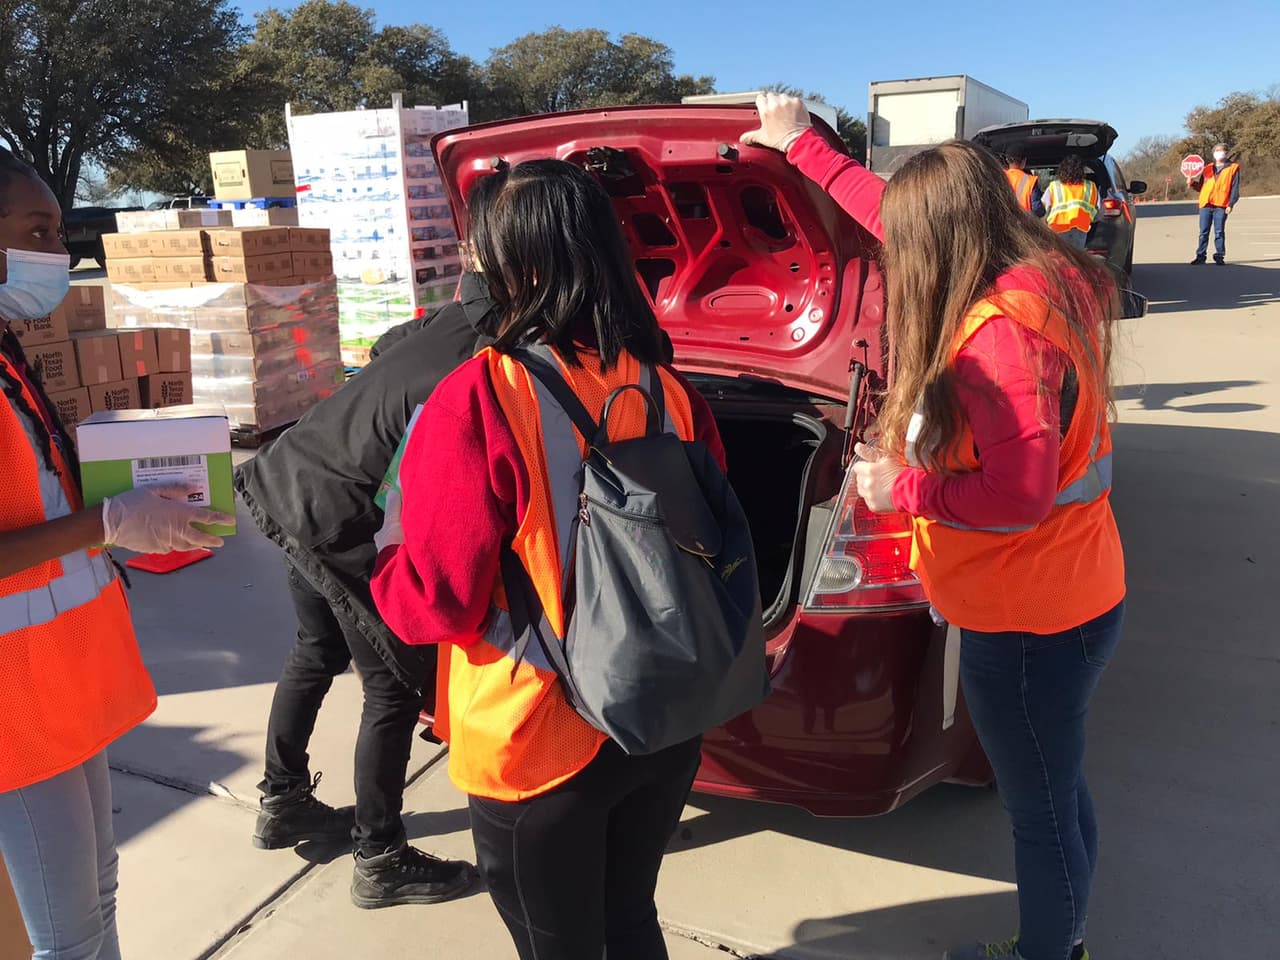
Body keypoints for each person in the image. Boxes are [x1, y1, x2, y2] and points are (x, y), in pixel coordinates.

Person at [743, 93, 1124, 960]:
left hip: (1030, 616)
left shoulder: (998, 341)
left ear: (940, 244)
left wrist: (901, 487)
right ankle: (1065, 942)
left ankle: (1051, 952)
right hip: (1073, 593)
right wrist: (801, 147)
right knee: (1058, 792)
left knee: (1040, 811)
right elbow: (897, 214)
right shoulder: (1047, 275)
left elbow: (1018, 498)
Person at [370, 159, 727, 960]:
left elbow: (438, 599)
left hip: (540, 737)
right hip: (661, 719)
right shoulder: (669, 388)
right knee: (633, 920)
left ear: (516, 265)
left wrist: (385, 556)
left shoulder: (481, 396)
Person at [232, 179, 512, 909]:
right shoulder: (497, 344)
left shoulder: (458, 314)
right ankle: (381, 857)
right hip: (342, 515)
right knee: (393, 683)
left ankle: (283, 798)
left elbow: (389, 348)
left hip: (289, 479)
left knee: (315, 652)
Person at [0, 147, 232, 960]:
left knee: (95, 903)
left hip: (63, 681)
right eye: (36, 229)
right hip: (13, 714)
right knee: (66, 937)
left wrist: (144, 505)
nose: (57, 252)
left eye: (58, 230)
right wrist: (106, 522)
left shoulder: (6, 354)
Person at [1189, 143, 1241, 265]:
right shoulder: (1207, 168)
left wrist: (1231, 204)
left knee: (1219, 232)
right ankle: (1200, 256)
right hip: (1206, 204)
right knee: (1203, 232)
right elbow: (1201, 186)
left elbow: (1235, 188)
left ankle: (1219, 256)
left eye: (1222, 150)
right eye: (1217, 150)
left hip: (1221, 205)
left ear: (1226, 152)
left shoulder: (1233, 168)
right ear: (1213, 153)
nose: (1219, 152)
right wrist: (1192, 183)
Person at [1042, 154, 1100, 249]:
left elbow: (1044, 209)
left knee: (1059, 260)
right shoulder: (1090, 187)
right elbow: (1099, 211)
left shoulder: (1054, 186)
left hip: (1057, 230)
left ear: (1062, 170)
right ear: (1082, 170)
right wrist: (1090, 219)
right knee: (1076, 261)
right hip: (1080, 231)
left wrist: (1045, 223)